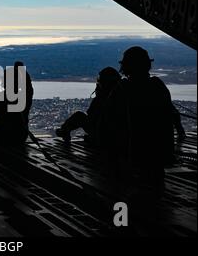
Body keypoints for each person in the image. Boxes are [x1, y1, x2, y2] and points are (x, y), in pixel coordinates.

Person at [100, 46, 176, 197]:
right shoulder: (158, 85)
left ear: (126, 66)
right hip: (157, 154)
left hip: (131, 154)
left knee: (128, 196)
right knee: (156, 195)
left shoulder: (122, 88)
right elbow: (171, 115)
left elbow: (106, 121)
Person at [56, 67, 121, 144]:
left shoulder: (103, 97)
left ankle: (64, 131)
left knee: (79, 116)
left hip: (102, 134)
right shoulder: (120, 94)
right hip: (116, 135)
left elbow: (91, 115)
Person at [0, 61, 34, 147]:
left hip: (2, 136)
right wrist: (22, 70)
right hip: (21, 136)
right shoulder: (24, 97)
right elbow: (29, 86)